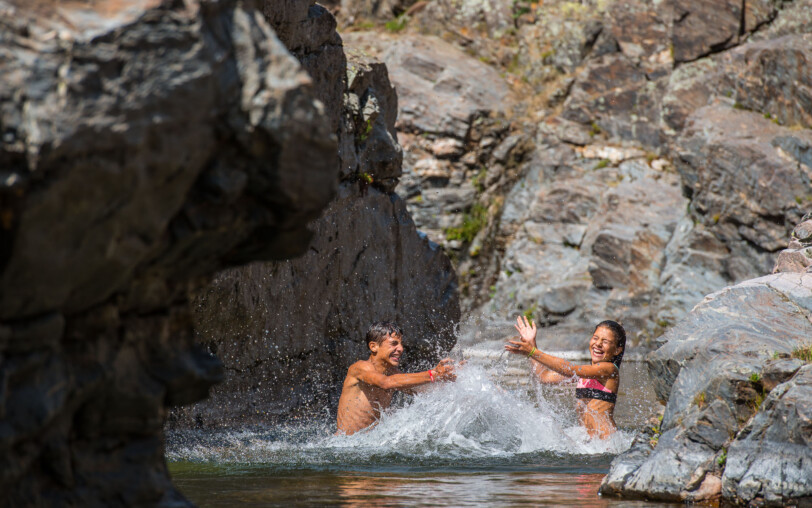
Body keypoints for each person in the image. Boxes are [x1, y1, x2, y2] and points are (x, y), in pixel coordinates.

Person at [505, 316, 626, 439]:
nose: (598, 344)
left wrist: (532, 351)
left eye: (605, 341)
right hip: (591, 445)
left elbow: (570, 370)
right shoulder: (586, 374)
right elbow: (544, 376)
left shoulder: (610, 370)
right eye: (595, 338)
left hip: (607, 443)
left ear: (617, 350)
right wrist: (531, 344)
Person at [336, 321, 458, 435]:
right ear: (373, 347)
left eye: (401, 344)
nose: (400, 349)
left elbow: (421, 391)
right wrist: (433, 374)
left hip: (368, 445)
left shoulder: (393, 373)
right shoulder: (359, 368)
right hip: (343, 445)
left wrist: (449, 379)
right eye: (394, 343)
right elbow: (386, 383)